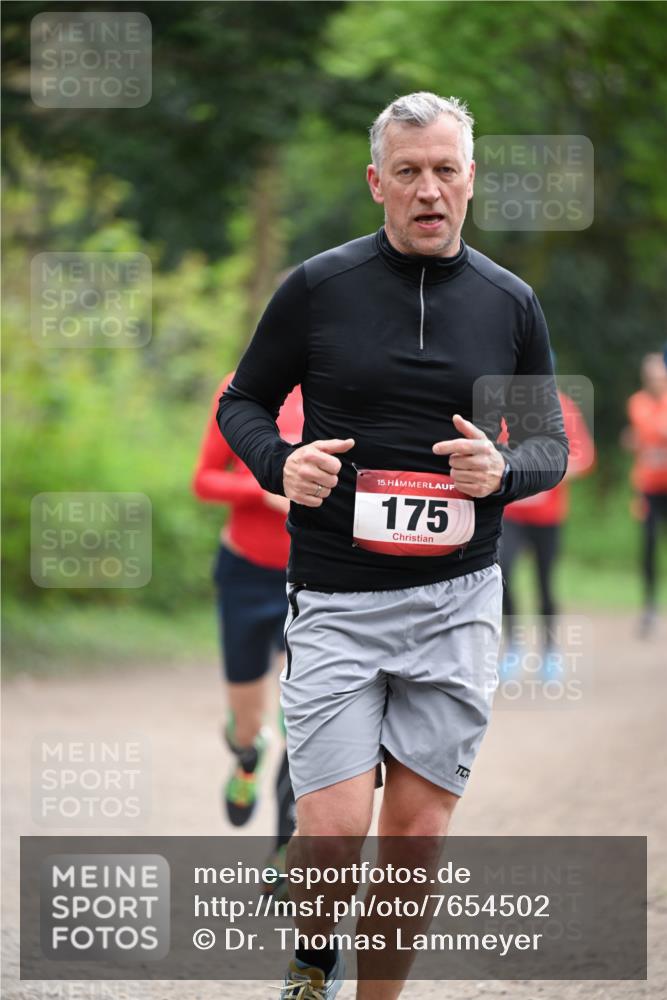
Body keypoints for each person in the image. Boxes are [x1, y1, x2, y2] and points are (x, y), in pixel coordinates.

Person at [218, 92, 568, 1000]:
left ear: (470, 181)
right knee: (330, 830)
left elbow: (549, 448)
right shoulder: (318, 287)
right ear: (376, 182)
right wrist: (279, 464)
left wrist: (503, 471)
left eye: (445, 170)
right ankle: (310, 955)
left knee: (414, 841)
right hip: (336, 596)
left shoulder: (509, 302)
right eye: (407, 172)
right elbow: (241, 402)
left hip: (455, 602)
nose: (428, 190)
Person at [192, 373, 302, 870]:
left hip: (311, 577)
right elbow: (204, 479)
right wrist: (263, 488)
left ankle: (287, 849)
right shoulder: (243, 387)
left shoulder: (347, 385)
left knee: (301, 722)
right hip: (244, 575)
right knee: (249, 722)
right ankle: (245, 755)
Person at [499, 382, 595, 675]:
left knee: (545, 582)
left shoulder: (564, 407)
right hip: (512, 513)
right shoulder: (503, 406)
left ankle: (550, 652)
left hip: (548, 516)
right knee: (502, 575)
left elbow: (585, 457)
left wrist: (550, 473)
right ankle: (514, 646)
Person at [623, 352, 667, 636]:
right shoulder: (636, 403)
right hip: (648, 489)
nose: (654, 380)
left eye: (659, 375)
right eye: (649, 377)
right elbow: (639, 436)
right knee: (649, 547)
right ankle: (650, 609)